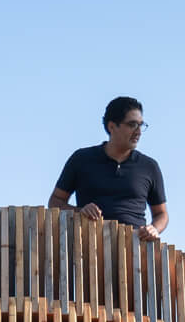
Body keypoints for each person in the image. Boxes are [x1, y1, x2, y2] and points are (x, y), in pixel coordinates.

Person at [48, 96, 169, 241]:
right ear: (112, 126)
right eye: (132, 125)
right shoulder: (81, 159)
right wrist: (79, 211)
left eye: (141, 125)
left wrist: (154, 228)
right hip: (89, 249)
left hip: (135, 251)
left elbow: (161, 214)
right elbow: (55, 201)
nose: (138, 132)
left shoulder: (149, 166)